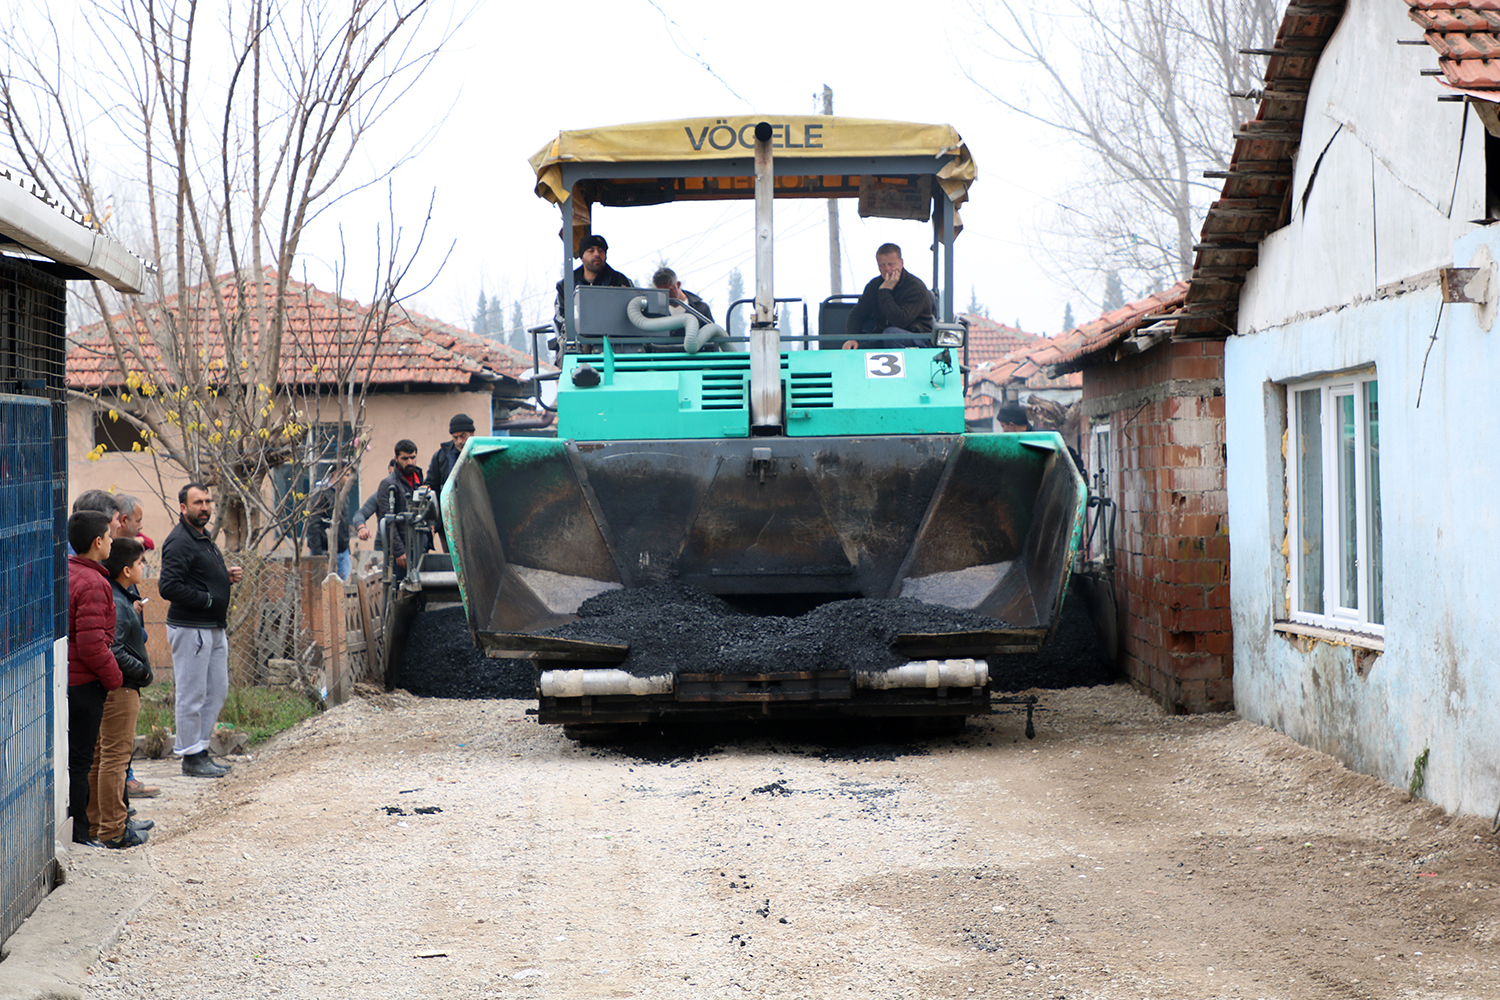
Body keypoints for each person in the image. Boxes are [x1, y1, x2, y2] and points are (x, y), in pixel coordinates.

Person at [159, 482, 243, 778]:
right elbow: (168, 586)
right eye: (198, 502)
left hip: (213, 628)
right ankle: (191, 757)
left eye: (208, 501)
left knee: (217, 691)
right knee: (191, 695)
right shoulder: (180, 540)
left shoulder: (202, 536)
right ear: (183, 507)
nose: (205, 507)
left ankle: (201, 749)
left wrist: (224, 576)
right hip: (191, 628)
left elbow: (198, 575)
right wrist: (207, 599)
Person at [89, 537, 153, 849]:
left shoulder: (120, 596)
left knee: (104, 757)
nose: (145, 567)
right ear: (127, 570)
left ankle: (100, 824)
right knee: (114, 758)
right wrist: (141, 670)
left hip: (117, 687)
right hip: (122, 688)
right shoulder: (114, 598)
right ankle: (112, 829)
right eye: (141, 563)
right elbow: (113, 648)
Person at [66, 509, 124, 844]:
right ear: (98, 541)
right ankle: (80, 833)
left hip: (71, 680)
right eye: (110, 535)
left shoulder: (69, 573)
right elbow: (92, 644)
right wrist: (114, 677)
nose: (113, 541)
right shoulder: (93, 583)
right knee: (82, 761)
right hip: (85, 684)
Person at [356, 440, 425, 580]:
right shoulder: (387, 486)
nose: (410, 462)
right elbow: (387, 520)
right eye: (405, 459)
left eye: (413, 457)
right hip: (394, 550)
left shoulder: (420, 482)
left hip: (418, 546)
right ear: (397, 459)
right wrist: (399, 551)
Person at [844, 243, 934, 350]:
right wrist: (852, 337)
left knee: (891, 333)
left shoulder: (916, 287)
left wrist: (885, 292)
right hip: (884, 338)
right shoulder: (873, 286)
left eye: (891, 264)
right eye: (882, 265)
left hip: (918, 338)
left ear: (901, 263)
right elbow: (858, 313)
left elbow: (901, 321)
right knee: (856, 351)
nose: (887, 269)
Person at [553, 233, 632, 342]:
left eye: (601, 250)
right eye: (591, 251)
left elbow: (631, 313)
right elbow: (559, 317)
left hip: (614, 342)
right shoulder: (566, 285)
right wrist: (578, 328)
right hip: (577, 342)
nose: (596, 254)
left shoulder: (620, 280)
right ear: (582, 257)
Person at [306, 467, 355, 579]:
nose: (349, 479)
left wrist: (348, 550)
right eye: (347, 475)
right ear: (336, 474)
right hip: (325, 552)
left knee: (345, 591)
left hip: (343, 553)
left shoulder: (342, 493)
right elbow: (313, 526)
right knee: (324, 591)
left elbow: (344, 525)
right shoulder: (321, 494)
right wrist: (318, 556)